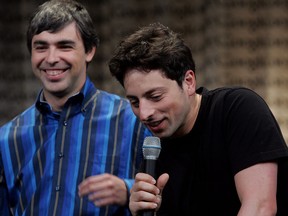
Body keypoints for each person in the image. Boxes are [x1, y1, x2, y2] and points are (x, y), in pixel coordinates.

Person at [108, 22, 288, 215]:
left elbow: (260, 208)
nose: (144, 114)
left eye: (155, 97)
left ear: (188, 82)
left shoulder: (237, 108)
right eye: (134, 102)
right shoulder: (154, 156)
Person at [0, 1, 152, 215]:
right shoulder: (7, 139)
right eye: (41, 47)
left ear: (89, 51)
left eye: (64, 46)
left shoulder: (133, 120)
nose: (51, 59)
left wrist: (128, 191)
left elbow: (171, 194)